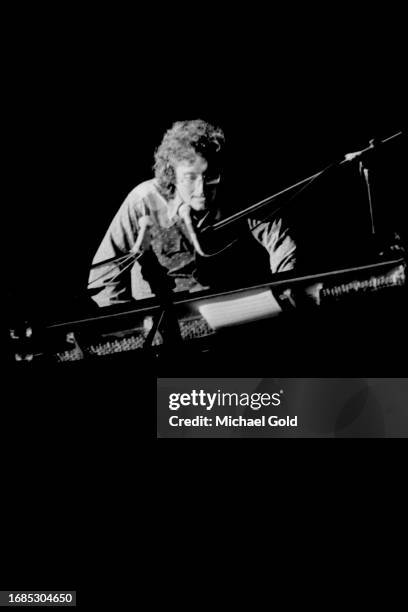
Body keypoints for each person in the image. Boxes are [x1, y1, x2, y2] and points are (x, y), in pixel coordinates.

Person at [88, 119, 297, 307]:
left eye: (210, 176)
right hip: (164, 322)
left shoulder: (235, 193)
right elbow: (106, 273)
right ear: (171, 173)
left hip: (225, 310)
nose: (202, 190)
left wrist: (287, 292)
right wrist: (128, 329)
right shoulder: (144, 200)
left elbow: (283, 244)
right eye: (190, 178)